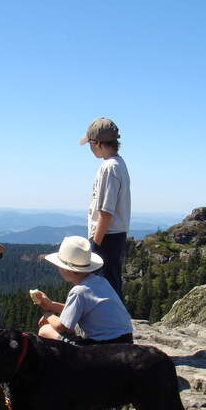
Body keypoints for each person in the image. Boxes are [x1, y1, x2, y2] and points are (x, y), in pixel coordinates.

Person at [32, 236, 133, 344]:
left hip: (105, 346)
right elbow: (78, 311)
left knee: (45, 330)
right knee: (70, 330)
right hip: (126, 340)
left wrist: (47, 315)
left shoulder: (79, 291)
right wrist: (51, 305)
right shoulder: (101, 281)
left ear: (67, 270)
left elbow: (61, 327)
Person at [79, 117, 131, 299]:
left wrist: (95, 245)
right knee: (111, 281)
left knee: (102, 285)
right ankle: (115, 321)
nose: (90, 148)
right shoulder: (119, 163)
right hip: (115, 235)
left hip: (106, 236)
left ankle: (109, 324)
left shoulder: (109, 168)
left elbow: (106, 211)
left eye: (90, 144)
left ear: (97, 143)